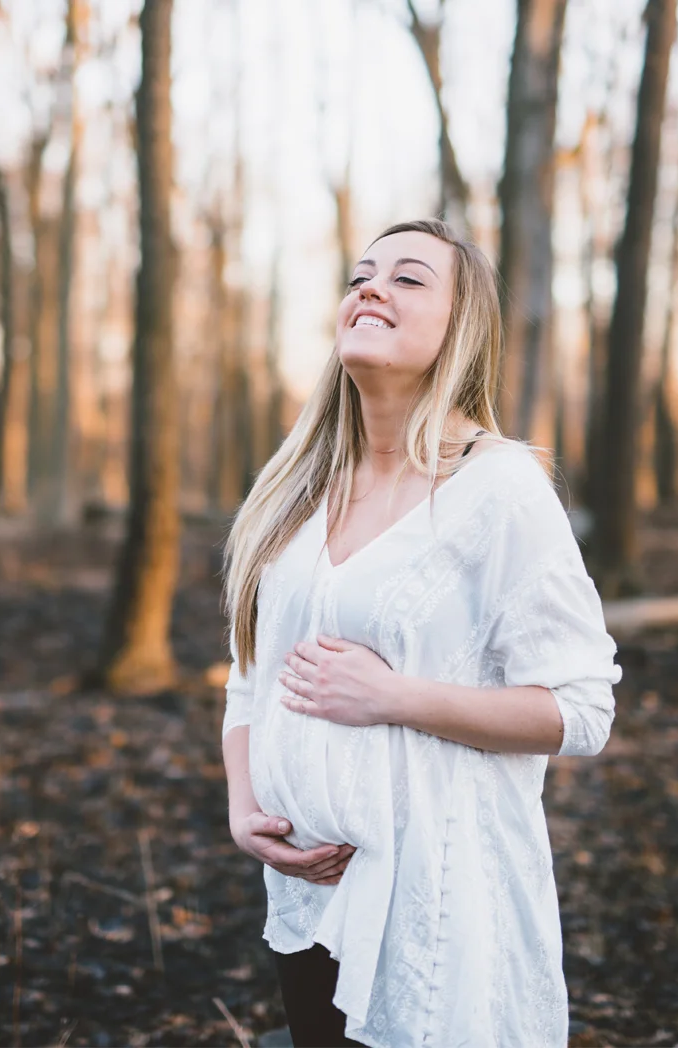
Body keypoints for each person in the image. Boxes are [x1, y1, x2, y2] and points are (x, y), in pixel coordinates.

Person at [218, 218, 622, 1048]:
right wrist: (243, 804)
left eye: (407, 278)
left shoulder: (498, 488)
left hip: (436, 907)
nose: (370, 287)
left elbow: (581, 709)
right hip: (308, 895)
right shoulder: (294, 490)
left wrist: (395, 698)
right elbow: (249, 674)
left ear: (460, 326)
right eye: (360, 275)